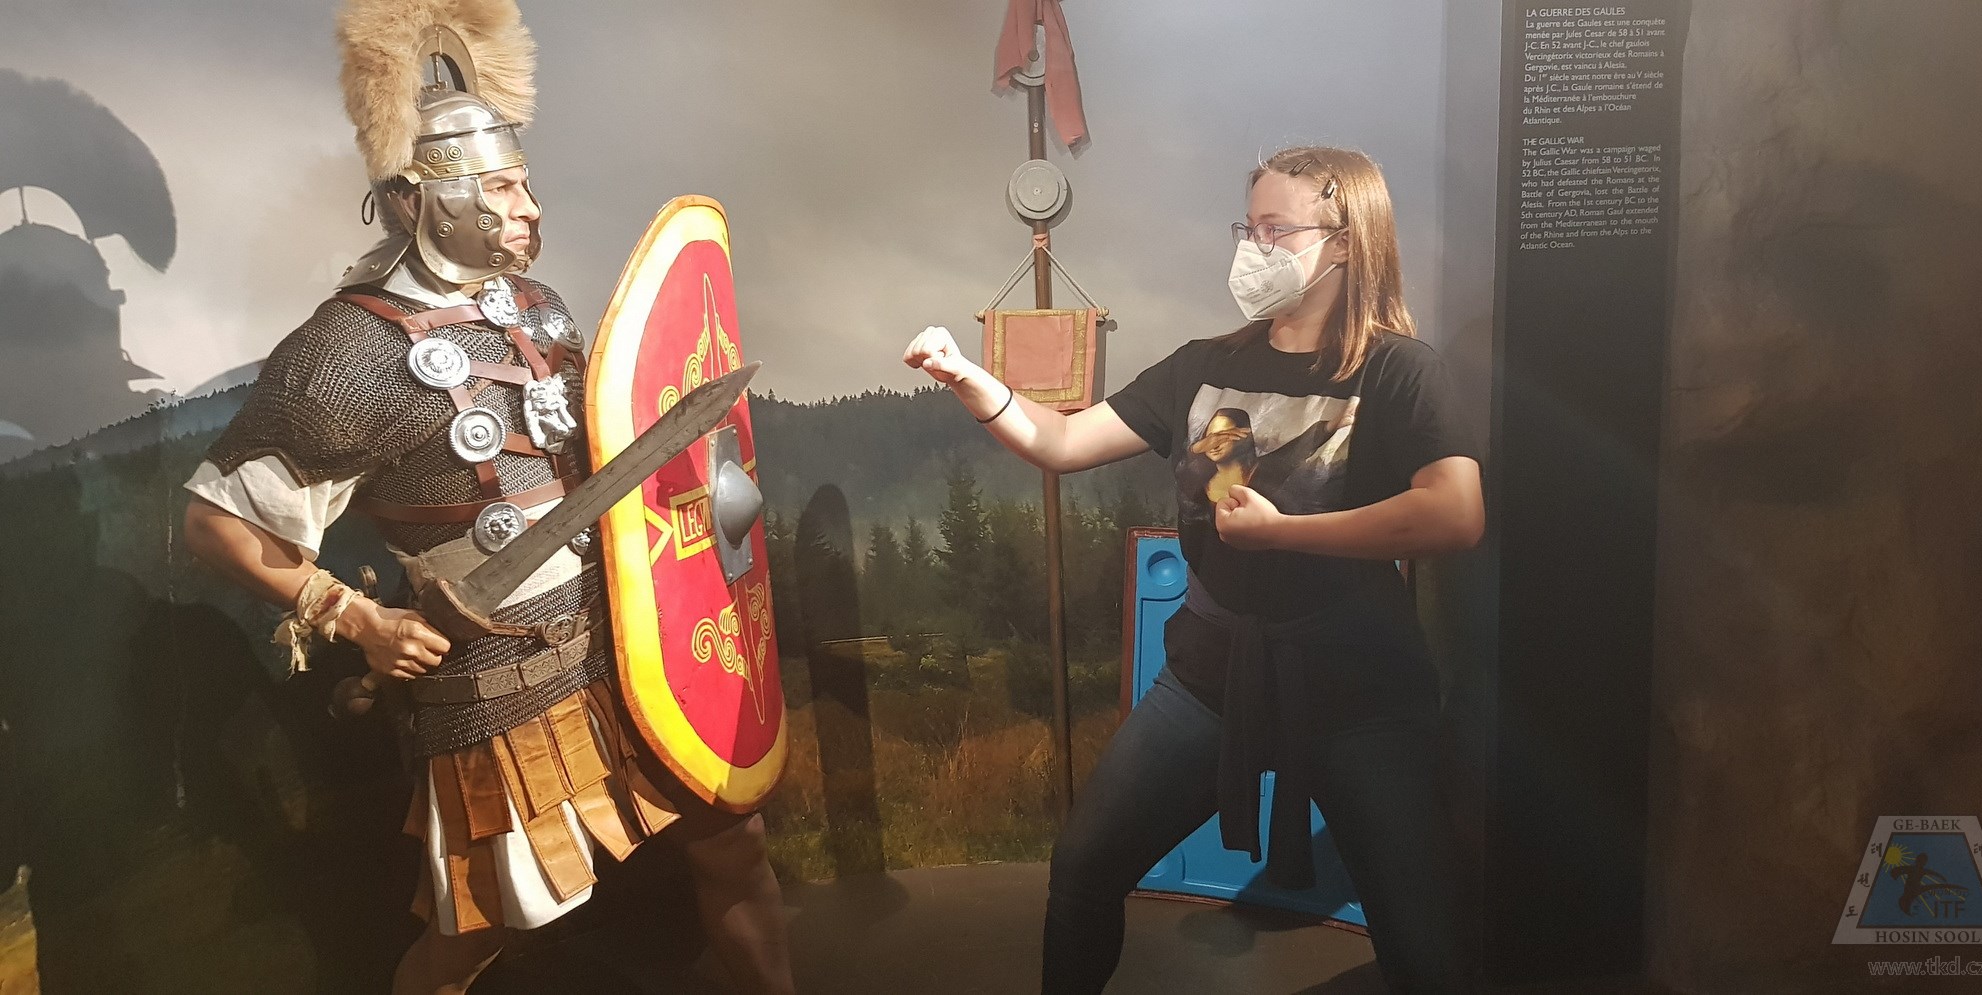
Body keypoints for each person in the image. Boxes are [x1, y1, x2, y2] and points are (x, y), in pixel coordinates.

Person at [181, 3, 792, 992]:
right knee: (479, 929)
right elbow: (216, 524)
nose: (530, 207)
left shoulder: (537, 309)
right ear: (420, 199)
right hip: (501, 677)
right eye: (502, 187)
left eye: (523, 181)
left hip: (626, 645)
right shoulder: (344, 351)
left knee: (733, 841)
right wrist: (357, 617)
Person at [903, 146, 1483, 994]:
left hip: (1360, 687)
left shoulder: (1399, 369)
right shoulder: (1202, 365)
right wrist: (967, 379)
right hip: (1212, 677)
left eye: (1276, 229)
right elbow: (1061, 441)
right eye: (1247, 228)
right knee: (1084, 867)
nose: (1254, 247)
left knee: (1421, 944)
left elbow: (1455, 511)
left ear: (1345, 240)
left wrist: (1286, 534)